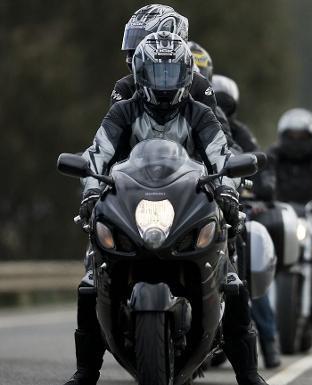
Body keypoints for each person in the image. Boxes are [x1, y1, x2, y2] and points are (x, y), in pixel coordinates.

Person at [63, 32, 267, 385]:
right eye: (156, 73)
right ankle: (85, 373)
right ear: (141, 74)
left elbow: (221, 152)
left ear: (187, 74)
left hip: (188, 203)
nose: (163, 83)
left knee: (231, 280)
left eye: (171, 74)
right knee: (91, 280)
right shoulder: (123, 111)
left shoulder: (200, 114)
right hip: (132, 203)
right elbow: (99, 152)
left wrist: (229, 190)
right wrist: (91, 189)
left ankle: (248, 374)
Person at [213, 74, 281, 369]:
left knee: (248, 249)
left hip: (226, 203)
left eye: (223, 103)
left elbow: (255, 160)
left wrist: (260, 184)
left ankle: (267, 339)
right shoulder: (162, 120)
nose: (218, 108)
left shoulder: (236, 133)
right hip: (182, 204)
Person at [111, 4, 235, 146]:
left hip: (189, 166)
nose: (132, 53)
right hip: (137, 166)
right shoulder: (124, 87)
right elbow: (113, 143)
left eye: (141, 43)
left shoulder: (200, 86)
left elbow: (219, 145)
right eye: (132, 44)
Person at [266, 108, 312, 204]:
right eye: (291, 136)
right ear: (283, 136)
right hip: (276, 210)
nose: (296, 142)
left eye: (303, 137)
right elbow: (264, 175)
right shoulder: (274, 153)